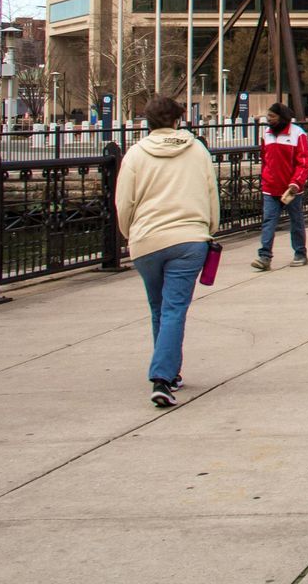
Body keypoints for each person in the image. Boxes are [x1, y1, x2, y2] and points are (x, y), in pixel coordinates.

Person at [114, 96, 220, 409]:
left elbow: (124, 202)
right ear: (178, 120)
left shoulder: (135, 154)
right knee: (175, 308)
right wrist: (209, 228)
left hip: (147, 239)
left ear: (148, 122)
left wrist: (129, 233)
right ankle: (163, 376)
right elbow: (210, 192)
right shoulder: (197, 151)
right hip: (189, 238)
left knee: (159, 307)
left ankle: (169, 371)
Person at [252, 101, 308, 270]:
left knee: (296, 221)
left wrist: (296, 182)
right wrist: (265, 178)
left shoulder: (297, 134)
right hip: (271, 187)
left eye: (272, 116)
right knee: (268, 221)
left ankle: (300, 252)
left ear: (282, 118)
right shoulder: (267, 134)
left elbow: (303, 162)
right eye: (268, 116)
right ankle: (264, 256)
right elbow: (265, 159)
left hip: (291, 189)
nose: (268, 119)